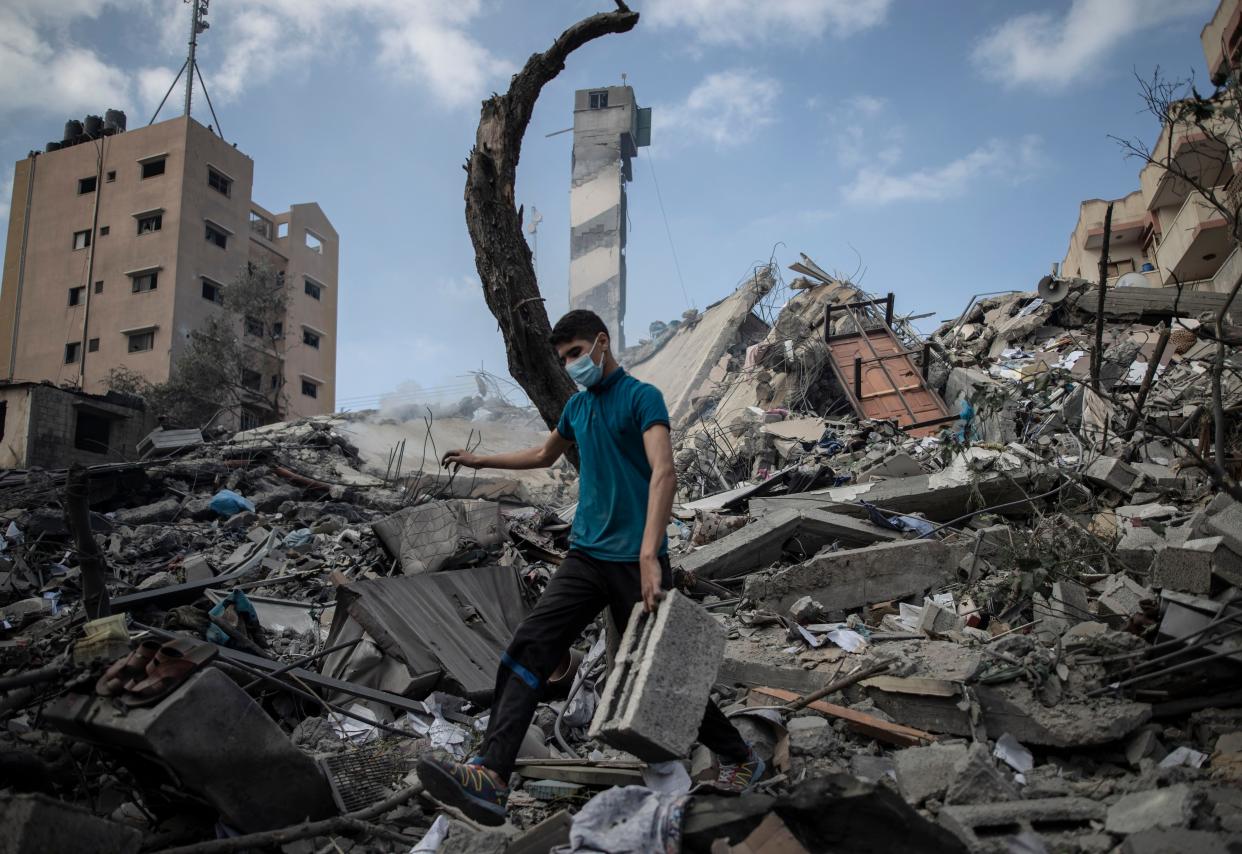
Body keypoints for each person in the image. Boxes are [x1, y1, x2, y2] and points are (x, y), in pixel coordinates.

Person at [416, 309, 764, 826]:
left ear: (601, 343)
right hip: (585, 556)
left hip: (637, 561)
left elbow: (664, 472)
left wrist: (650, 555)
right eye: (563, 360)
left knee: (660, 671)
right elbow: (542, 455)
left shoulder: (641, 398)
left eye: (576, 353)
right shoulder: (577, 409)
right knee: (530, 646)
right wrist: (479, 460)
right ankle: (490, 774)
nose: (571, 365)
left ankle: (738, 756)